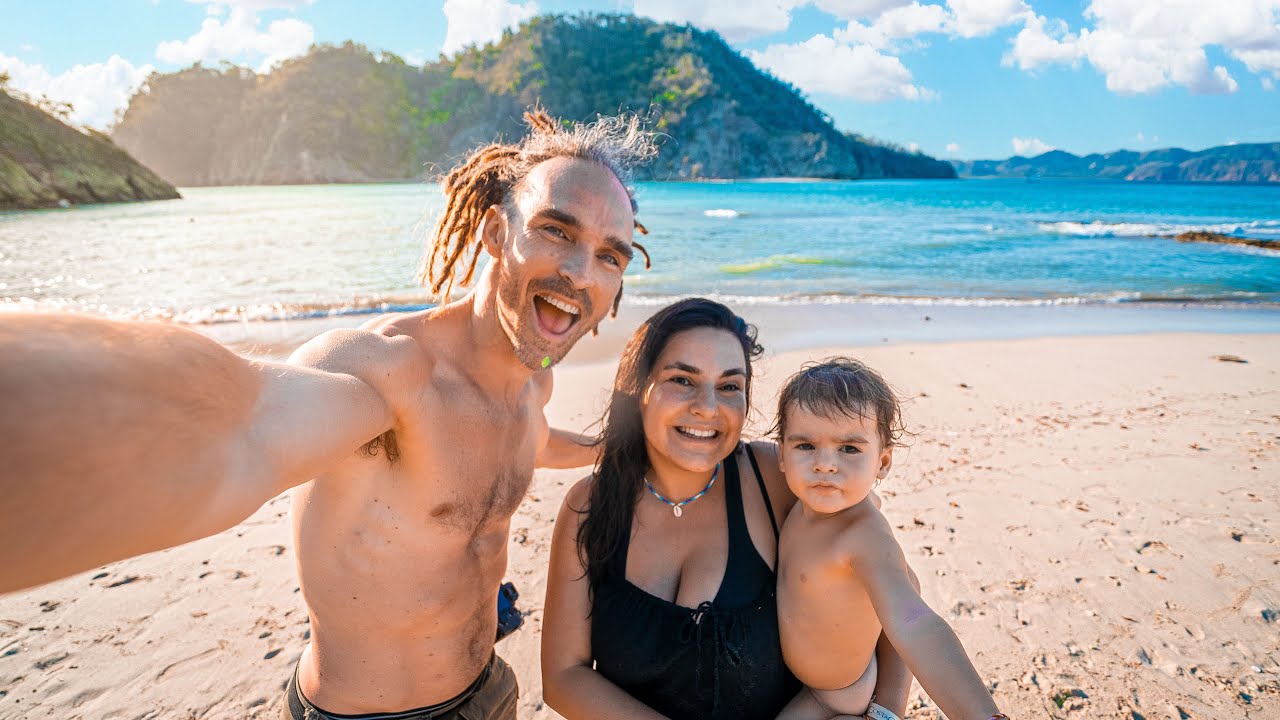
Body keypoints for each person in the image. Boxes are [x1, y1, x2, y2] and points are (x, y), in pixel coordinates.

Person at [0, 110, 657, 719]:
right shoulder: (388, 375)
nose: (580, 269)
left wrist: (617, 449)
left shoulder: (529, 387)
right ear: (494, 231)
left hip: (489, 688)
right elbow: (237, 422)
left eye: (610, 255)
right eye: (555, 228)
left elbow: (531, 443)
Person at [541, 299, 916, 720]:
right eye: (682, 380)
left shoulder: (778, 479)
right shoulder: (589, 504)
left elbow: (899, 595)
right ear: (638, 388)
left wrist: (885, 714)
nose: (707, 407)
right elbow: (564, 675)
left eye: (729, 386)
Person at [773, 358, 1007, 720]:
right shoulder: (805, 504)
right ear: (781, 454)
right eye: (805, 445)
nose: (824, 464)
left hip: (833, 696)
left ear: (882, 463)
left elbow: (914, 622)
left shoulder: (863, 536)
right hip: (796, 676)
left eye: (849, 449)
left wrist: (981, 715)